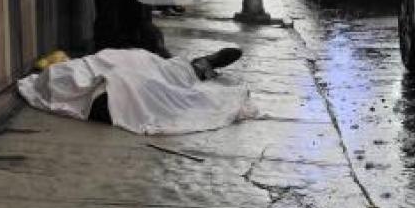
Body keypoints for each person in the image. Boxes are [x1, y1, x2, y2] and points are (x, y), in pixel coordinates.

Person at [18, 46, 250, 134]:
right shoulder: (59, 74)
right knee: (150, 78)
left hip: (106, 90)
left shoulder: (63, 72)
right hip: (107, 95)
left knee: (147, 67)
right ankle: (197, 68)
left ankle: (196, 68)